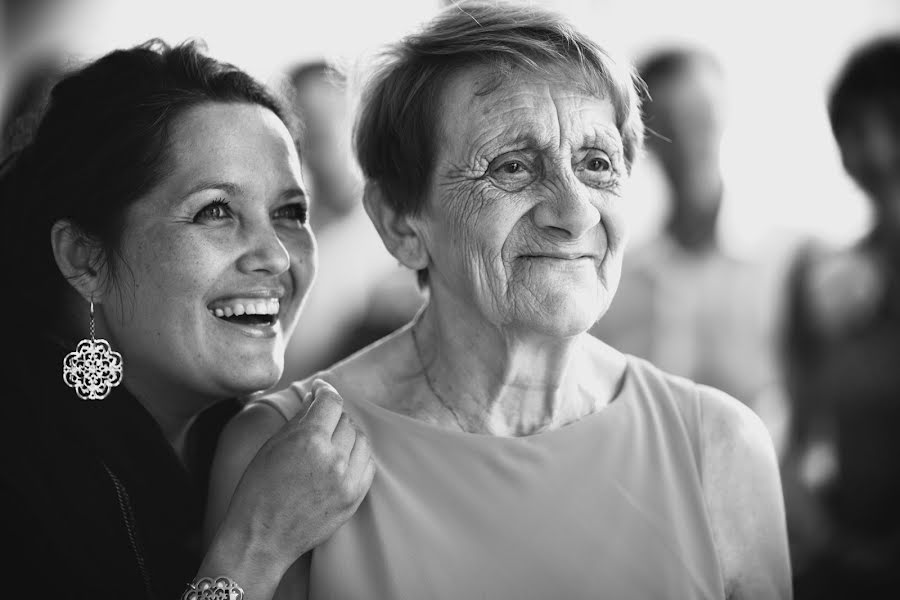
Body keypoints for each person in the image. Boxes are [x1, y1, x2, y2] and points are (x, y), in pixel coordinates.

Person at [206, 2, 791, 598]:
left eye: (596, 163)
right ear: (401, 224)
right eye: (512, 166)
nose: (574, 211)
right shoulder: (281, 454)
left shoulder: (721, 448)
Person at [0, 39, 374, 600]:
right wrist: (256, 544)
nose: (275, 255)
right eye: (216, 210)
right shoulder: (20, 464)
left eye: (290, 213)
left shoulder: (248, 438)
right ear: (84, 259)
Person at [589, 47, 782, 407]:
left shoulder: (784, 265)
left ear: (724, 118)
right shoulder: (613, 283)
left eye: (700, 117)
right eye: (669, 123)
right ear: (643, 140)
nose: (691, 142)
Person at [778, 35, 900, 599]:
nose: (872, 153)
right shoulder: (823, 277)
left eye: (889, 123)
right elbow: (800, 432)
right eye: (849, 131)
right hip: (842, 560)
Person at [277, 60, 422, 386]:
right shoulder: (280, 238)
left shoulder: (409, 226)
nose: (322, 146)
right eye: (308, 132)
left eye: (331, 126)